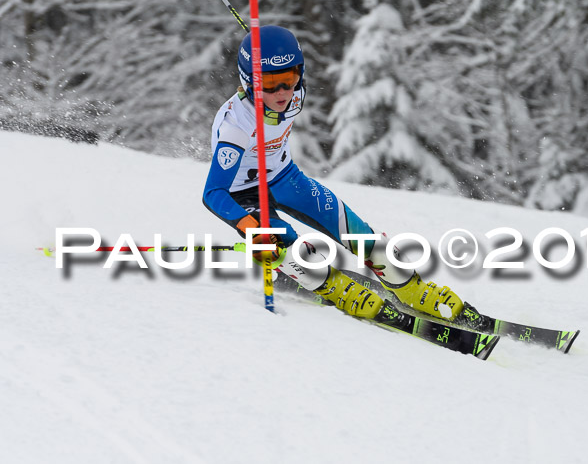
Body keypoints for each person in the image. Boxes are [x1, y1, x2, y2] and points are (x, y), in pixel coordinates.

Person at [203, 25, 485, 328]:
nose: (282, 93)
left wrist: (271, 65)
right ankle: (327, 284)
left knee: (356, 231)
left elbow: (281, 71)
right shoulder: (236, 126)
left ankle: (411, 288)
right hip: (243, 193)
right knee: (283, 243)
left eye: (289, 79)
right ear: (248, 83)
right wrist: (250, 228)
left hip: (285, 177)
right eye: (270, 85)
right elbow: (213, 192)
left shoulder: (295, 93)